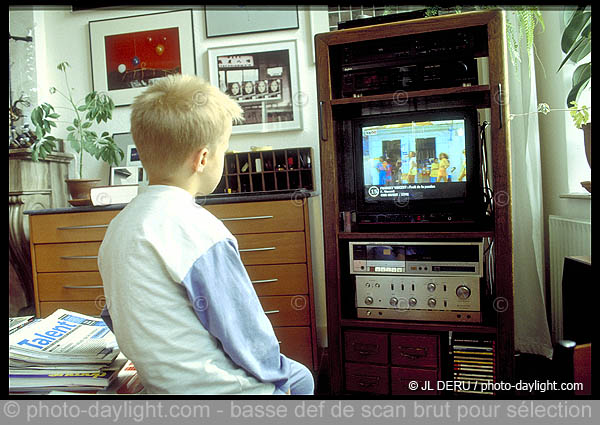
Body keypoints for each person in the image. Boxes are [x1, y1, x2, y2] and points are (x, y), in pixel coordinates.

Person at [98, 74, 314, 395]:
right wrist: (276, 374)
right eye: (223, 151)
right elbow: (243, 331)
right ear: (202, 159)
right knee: (301, 379)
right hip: (222, 392)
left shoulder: (118, 227)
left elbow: (114, 316)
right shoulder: (200, 229)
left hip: (161, 387)